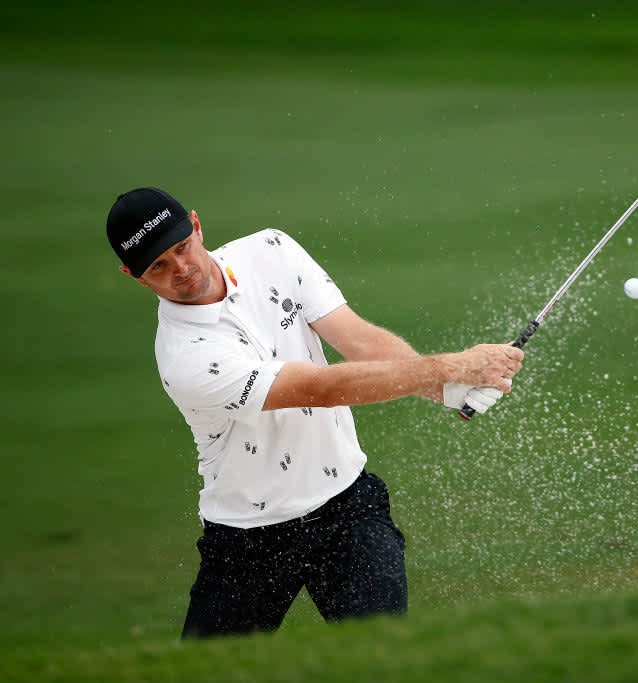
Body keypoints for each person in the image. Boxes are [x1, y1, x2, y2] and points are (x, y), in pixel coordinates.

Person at [106, 187, 524, 638]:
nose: (181, 269)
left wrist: (443, 388)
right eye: (159, 266)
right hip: (248, 536)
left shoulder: (270, 251)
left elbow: (361, 343)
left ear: (197, 225)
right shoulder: (185, 358)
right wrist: (454, 366)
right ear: (135, 276)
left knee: (382, 660)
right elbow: (319, 389)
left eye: (182, 247)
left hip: (348, 507)